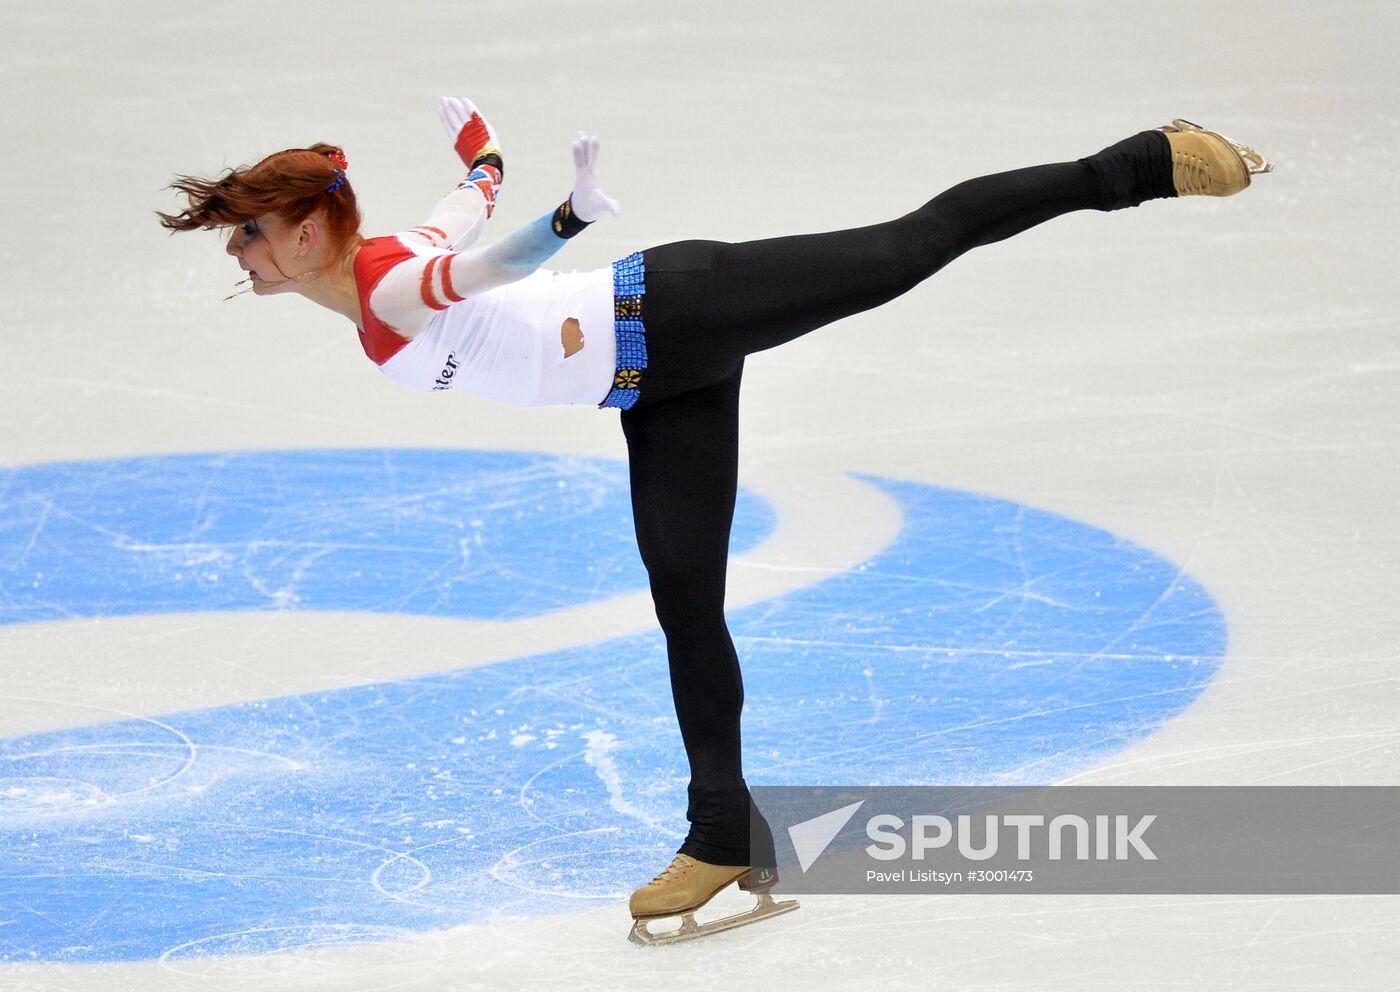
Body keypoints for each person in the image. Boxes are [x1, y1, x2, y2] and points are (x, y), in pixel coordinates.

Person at [157, 98, 1272, 945]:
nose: (237, 254)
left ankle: (1137, 163)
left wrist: (565, 218)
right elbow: (468, 210)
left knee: (903, 246)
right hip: (649, 385)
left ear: (305, 232)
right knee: (684, 600)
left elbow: (484, 261)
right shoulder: (382, 270)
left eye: (247, 234)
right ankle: (722, 834)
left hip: (673, 307)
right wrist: (483, 155)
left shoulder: (397, 288)